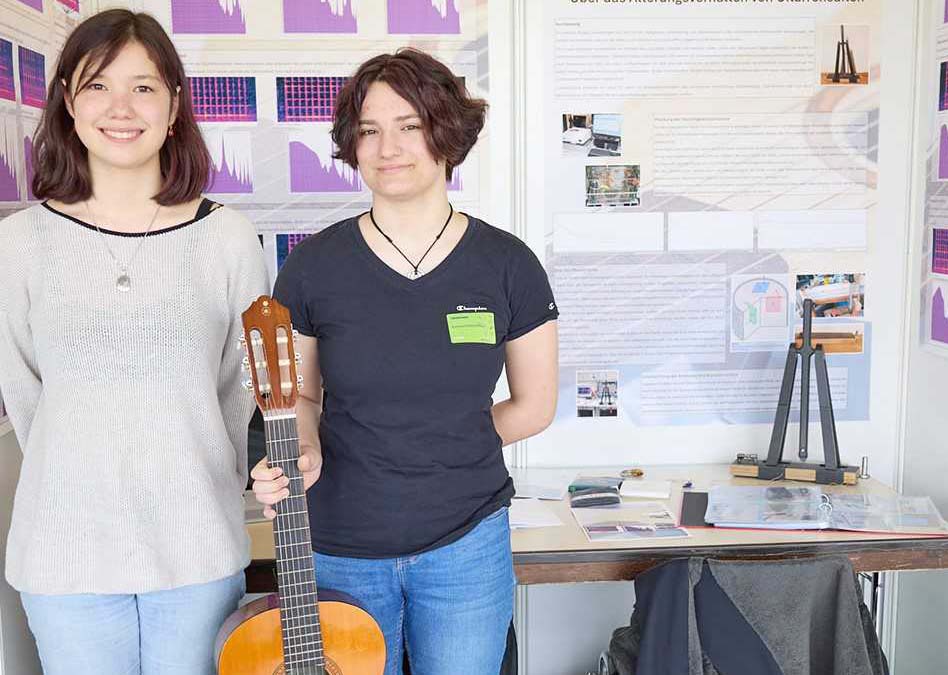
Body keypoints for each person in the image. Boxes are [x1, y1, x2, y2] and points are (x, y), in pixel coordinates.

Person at [251, 48, 559, 675]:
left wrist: (442, 440)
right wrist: (300, 449)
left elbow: (535, 406)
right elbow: (300, 397)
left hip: (467, 545)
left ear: (446, 131)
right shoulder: (315, 267)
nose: (387, 146)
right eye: (368, 130)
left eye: (409, 125)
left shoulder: (508, 264)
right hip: (340, 544)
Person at [0, 10, 268, 674]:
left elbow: (240, 389)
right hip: (64, 551)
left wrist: (190, 474)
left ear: (175, 106)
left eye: (144, 87)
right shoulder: (20, 243)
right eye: (97, 86)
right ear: (67, 101)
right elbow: (25, 393)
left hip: (198, 547)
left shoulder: (227, 235)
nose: (121, 108)